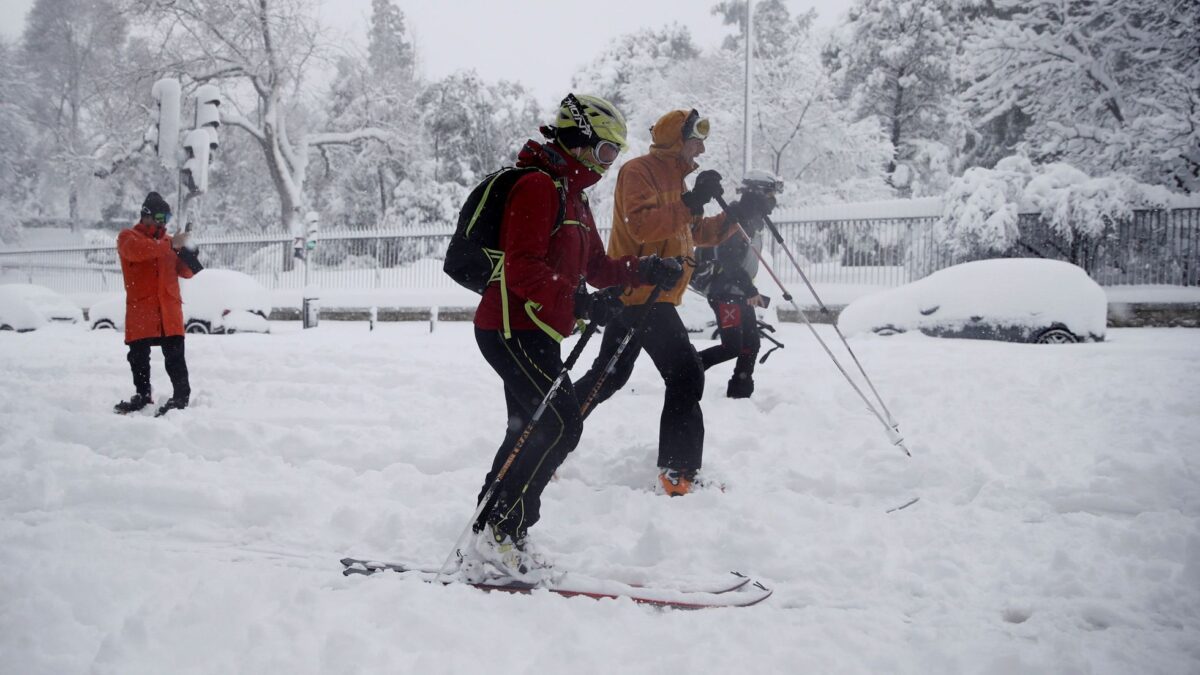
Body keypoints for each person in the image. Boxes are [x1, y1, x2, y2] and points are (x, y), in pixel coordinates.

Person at [467, 94, 680, 581]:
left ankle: (492, 523)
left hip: (540, 328)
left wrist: (643, 268)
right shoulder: (539, 188)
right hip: (508, 326)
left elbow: (599, 267)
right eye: (606, 152)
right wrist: (581, 304)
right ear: (581, 142)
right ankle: (502, 530)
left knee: (529, 426)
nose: (608, 164)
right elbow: (522, 270)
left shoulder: (573, 196)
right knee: (559, 424)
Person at [572, 108, 768, 497]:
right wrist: (693, 200)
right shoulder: (637, 171)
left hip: (648, 296)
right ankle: (678, 473)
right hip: (644, 291)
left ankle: (547, 435)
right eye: (696, 140)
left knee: (608, 376)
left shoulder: (679, 182)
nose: (701, 148)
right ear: (677, 139)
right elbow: (641, 224)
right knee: (686, 373)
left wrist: (741, 215)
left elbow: (698, 232)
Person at [698, 171, 784, 399]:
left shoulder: (754, 220)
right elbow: (727, 258)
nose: (773, 200)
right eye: (771, 194)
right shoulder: (736, 219)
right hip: (726, 292)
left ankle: (740, 390)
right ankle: (687, 370)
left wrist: (748, 290)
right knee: (732, 346)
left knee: (751, 344)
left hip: (741, 293)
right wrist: (749, 289)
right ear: (758, 194)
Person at [112, 192, 196, 417]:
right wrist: (170, 245)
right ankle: (143, 394)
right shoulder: (128, 237)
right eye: (159, 216)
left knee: (175, 357)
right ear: (145, 215)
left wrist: (189, 248)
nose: (163, 222)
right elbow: (138, 252)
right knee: (138, 357)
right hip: (142, 312)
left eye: (166, 217)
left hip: (169, 312)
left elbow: (188, 272)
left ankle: (181, 397)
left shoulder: (170, 243)